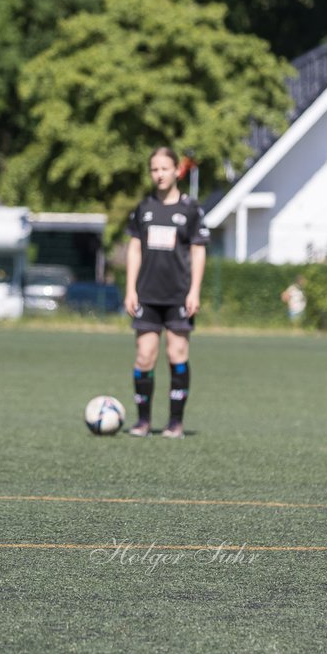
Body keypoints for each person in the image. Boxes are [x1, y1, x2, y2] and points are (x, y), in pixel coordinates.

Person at [123, 147, 209, 439]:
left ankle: (175, 423)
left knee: (177, 354)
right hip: (147, 294)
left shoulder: (190, 209)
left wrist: (194, 291)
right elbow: (134, 248)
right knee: (145, 356)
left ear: (177, 171)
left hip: (178, 295)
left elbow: (198, 252)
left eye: (164, 168)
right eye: (154, 169)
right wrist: (130, 288)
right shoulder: (144, 208)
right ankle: (143, 422)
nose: (159, 174)